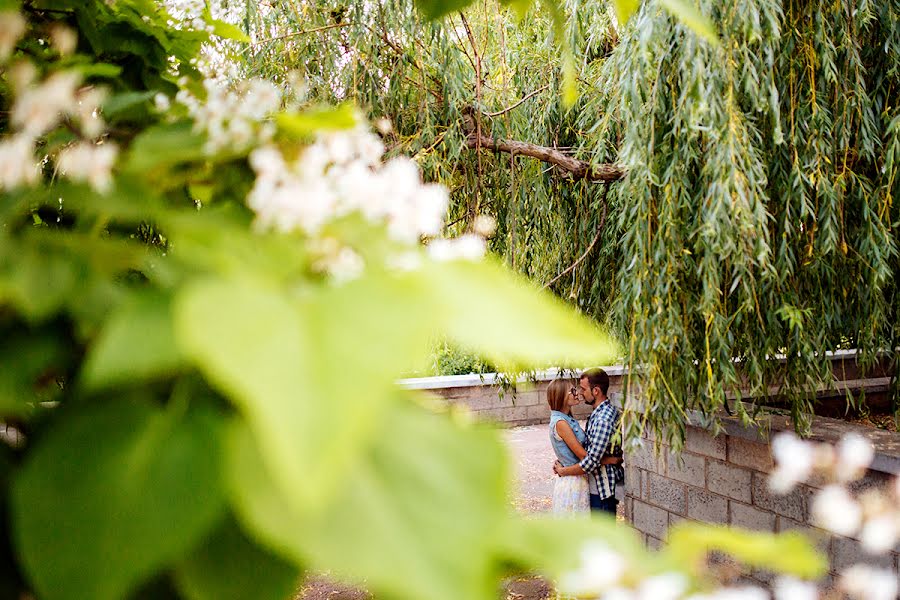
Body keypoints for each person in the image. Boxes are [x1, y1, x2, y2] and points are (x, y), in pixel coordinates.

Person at [553, 368, 623, 515]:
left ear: (596, 391)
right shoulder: (597, 414)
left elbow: (589, 462)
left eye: (583, 389)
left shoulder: (603, 419)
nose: (580, 393)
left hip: (601, 490)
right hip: (593, 487)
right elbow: (587, 451)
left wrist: (563, 471)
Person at [546, 378, 590, 514]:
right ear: (561, 396)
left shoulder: (566, 419)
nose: (577, 393)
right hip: (573, 482)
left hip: (575, 478)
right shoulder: (561, 423)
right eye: (572, 391)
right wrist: (609, 460)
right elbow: (583, 455)